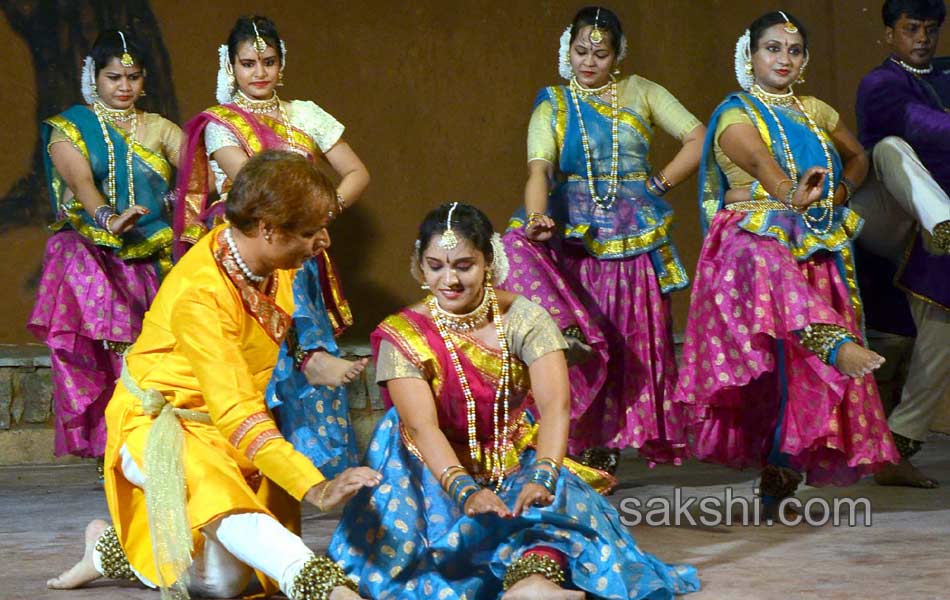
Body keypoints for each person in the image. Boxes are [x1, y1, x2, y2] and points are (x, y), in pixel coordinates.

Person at [46, 151, 377, 600]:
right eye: (309, 232)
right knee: (220, 524)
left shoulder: (264, 261)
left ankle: (110, 550)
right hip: (159, 425)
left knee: (232, 580)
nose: (323, 241)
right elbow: (238, 410)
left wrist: (312, 361)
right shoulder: (200, 293)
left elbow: (265, 347)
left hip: (221, 428)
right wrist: (315, 486)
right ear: (267, 230)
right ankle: (327, 588)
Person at [328, 203, 700, 599]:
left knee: (557, 505)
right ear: (420, 265)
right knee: (408, 553)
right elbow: (423, 428)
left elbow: (556, 406)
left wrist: (543, 473)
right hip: (422, 467)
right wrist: (465, 491)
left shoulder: (525, 319)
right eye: (435, 266)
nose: (449, 279)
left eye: (464, 265)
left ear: (489, 260)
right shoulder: (404, 335)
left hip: (509, 453)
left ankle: (531, 579)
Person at [674, 10, 899, 517]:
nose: (783, 58)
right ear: (749, 55)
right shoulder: (734, 114)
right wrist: (788, 195)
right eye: (772, 48)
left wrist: (838, 192)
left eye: (793, 51)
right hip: (748, 245)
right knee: (770, 275)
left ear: (805, 60)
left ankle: (780, 473)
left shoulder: (815, 109)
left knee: (792, 374)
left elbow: (859, 157)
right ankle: (829, 339)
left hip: (813, 243)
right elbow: (758, 162)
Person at [500, 6, 706, 472]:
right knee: (581, 338)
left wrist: (656, 185)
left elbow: (698, 136)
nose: (589, 62)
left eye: (600, 53)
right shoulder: (553, 102)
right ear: (566, 51)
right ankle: (577, 449)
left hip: (634, 236)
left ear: (618, 56)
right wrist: (535, 216)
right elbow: (539, 168)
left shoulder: (641, 91)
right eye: (580, 51)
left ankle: (613, 444)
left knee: (630, 337)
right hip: (575, 238)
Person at [175, 15, 370, 477]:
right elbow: (256, 185)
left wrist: (321, 216)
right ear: (231, 67)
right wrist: (300, 220)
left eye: (268, 61)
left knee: (303, 327)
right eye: (248, 63)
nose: (259, 72)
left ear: (282, 64)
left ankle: (315, 469)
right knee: (253, 354)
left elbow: (358, 173)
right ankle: (253, 462)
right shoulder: (220, 125)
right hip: (246, 254)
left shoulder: (306, 113)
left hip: (300, 250)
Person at [28, 30, 181, 465]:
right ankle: (109, 449)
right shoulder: (70, 129)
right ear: (93, 77)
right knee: (108, 346)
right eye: (114, 76)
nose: (124, 86)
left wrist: (182, 201)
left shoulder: (158, 128)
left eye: (133, 76)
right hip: (91, 254)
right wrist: (109, 221)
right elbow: (81, 184)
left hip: (152, 251)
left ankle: (149, 445)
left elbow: (197, 173)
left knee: (148, 352)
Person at [852, 0, 950, 489]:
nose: (922, 38)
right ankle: (944, 223)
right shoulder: (881, 83)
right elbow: (922, 128)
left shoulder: (947, 73)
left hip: (930, 228)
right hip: (882, 210)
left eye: (931, 29)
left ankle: (901, 441)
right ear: (890, 33)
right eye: (912, 28)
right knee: (891, 147)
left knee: (942, 331)